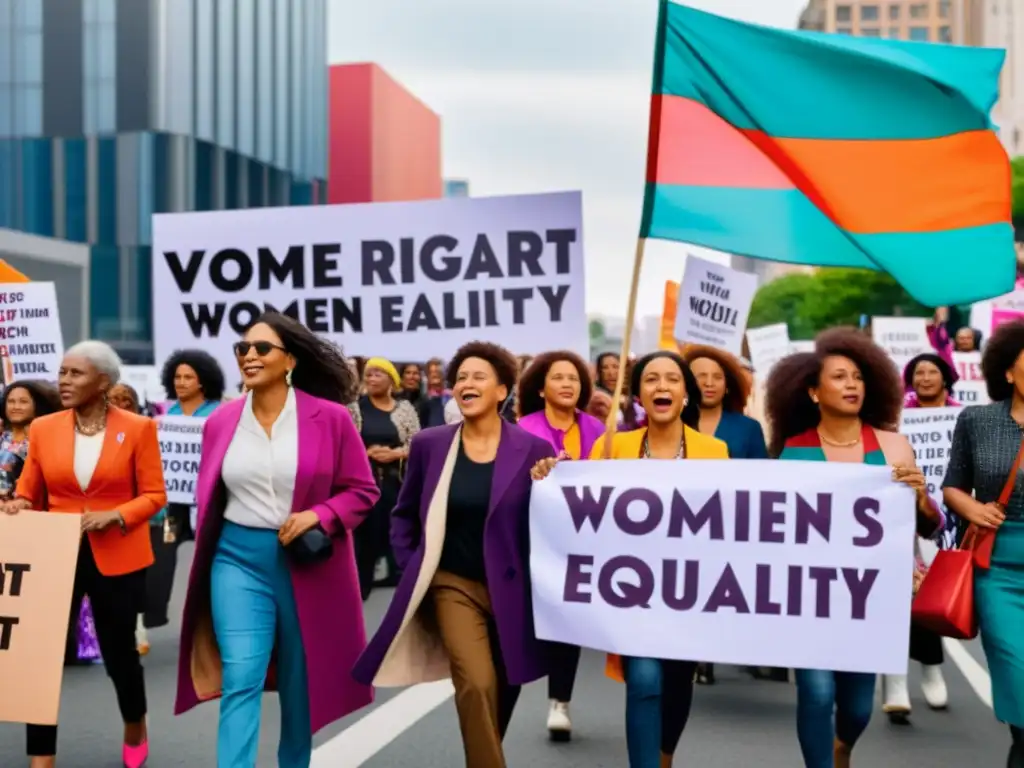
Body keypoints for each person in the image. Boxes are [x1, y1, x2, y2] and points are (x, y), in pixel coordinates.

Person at [174, 312, 379, 768]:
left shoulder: (330, 418)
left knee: (298, 684)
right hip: (236, 559)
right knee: (242, 676)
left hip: (306, 565)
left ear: (290, 360)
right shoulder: (221, 421)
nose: (249, 355)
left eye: (261, 348)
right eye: (242, 349)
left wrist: (319, 514)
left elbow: (363, 491)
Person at [353, 341, 555, 768]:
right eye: (461, 376)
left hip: (512, 589)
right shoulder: (430, 444)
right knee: (476, 682)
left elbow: (550, 522)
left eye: (478, 376)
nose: (466, 383)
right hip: (451, 583)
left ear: (502, 391)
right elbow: (403, 514)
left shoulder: (533, 450)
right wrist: (414, 568)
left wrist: (553, 478)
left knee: (504, 685)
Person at [532, 350, 729, 768]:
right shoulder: (612, 446)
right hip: (631, 594)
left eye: (672, 380)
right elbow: (581, 505)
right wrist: (552, 474)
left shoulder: (715, 451)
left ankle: (664, 757)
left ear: (686, 395)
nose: (662, 387)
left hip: (688, 596)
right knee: (642, 681)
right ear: (638, 393)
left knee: (676, 686)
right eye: (652, 379)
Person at [765, 328, 942, 768]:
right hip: (812, 598)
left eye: (858, 377)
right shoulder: (792, 453)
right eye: (840, 377)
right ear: (812, 391)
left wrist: (920, 497)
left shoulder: (894, 445)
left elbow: (931, 525)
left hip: (872, 601)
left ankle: (841, 749)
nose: (852, 385)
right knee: (818, 692)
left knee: (859, 707)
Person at [2, 341, 166, 768]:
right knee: (42, 656)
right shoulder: (44, 428)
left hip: (119, 555)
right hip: (54, 553)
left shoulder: (139, 428)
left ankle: (135, 721)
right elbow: (29, 488)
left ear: (104, 382)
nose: (64, 380)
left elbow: (154, 495)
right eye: (62, 373)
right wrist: (19, 502)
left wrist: (116, 514)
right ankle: (41, 754)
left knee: (118, 654)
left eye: (76, 374)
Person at [942, 319, 1024, 767]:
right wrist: (970, 508)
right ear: (1007, 373)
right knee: (1018, 683)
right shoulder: (977, 421)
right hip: (999, 573)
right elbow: (952, 486)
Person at [516, 350, 604, 741]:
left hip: (582, 541)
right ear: (540, 387)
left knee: (566, 621)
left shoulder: (600, 430)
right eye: (559, 377)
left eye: (574, 378)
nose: (568, 384)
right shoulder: (521, 428)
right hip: (532, 537)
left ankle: (560, 701)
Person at [684, 345, 771, 685]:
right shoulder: (670, 422)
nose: (708, 383)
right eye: (700, 376)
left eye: (717, 377)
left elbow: (762, 479)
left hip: (730, 524)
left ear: (729, 384)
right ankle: (694, 655)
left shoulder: (747, 429)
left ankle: (711, 648)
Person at [880, 352, 960, 720]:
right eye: (918, 373)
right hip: (907, 511)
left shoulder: (965, 417)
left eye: (933, 372)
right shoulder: (897, 420)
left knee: (936, 597)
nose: (926, 378)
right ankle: (895, 681)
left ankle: (930, 666)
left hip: (955, 516)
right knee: (902, 593)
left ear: (946, 378)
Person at [348, 357, 420, 598]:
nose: (371, 378)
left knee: (399, 533)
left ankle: (405, 590)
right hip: (365, 484)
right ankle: (361, 589)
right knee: (364, 538)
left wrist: (396, 453)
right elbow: (344, 444)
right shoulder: (355, 408)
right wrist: (363, 452)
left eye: (378, 374)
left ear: (391, 380)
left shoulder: (405, 409)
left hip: (396, 484)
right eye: (368, 374)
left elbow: (417, 443)